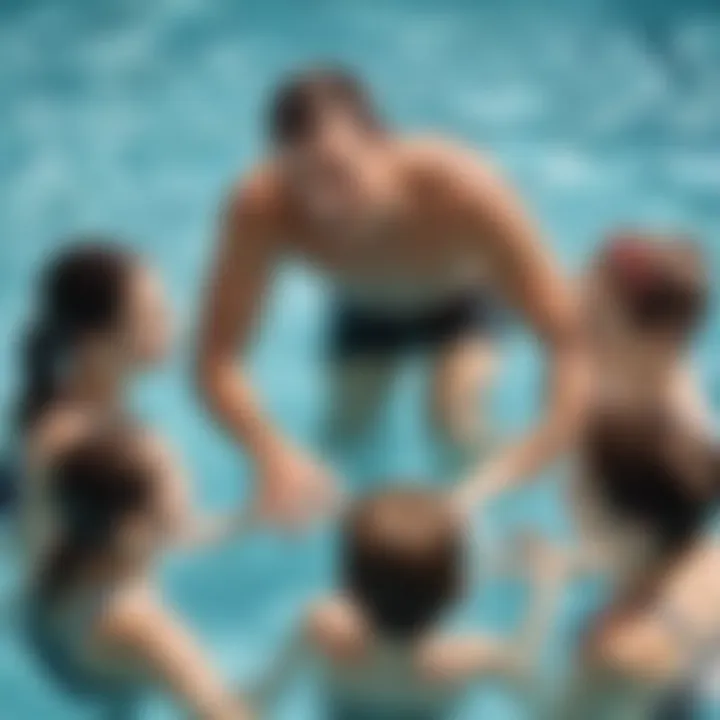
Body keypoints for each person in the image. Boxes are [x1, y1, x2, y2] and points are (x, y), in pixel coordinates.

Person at [197, 65, 588, 526]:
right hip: (364, 307)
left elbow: (568, 336)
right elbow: (217, 359)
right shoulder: (262, 208)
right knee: (341, 444)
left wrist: (547, 444)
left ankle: (497, 530)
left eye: (337, 173)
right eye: (301, 182)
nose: (323, 206)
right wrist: (271, 452)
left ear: (383, 146)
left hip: (460, 301)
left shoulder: (460, 189)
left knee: (454, 425)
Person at [467, 233, 720, 719]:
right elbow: (670, 545)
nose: (576, 310)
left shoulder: (678, 428)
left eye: (594, 311)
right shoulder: (625, 373)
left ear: (652, 334)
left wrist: (554, 577)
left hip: (656, 668)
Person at [250, 488, 565, 718]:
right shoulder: (472, 659)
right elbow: (550, 707)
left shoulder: (321, 635)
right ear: (460, 592)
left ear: (347, 587)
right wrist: (546, 588)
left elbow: (257, 701)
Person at [26, 426, 253, 719]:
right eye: (176, 479)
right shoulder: (144, 627)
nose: (190, 483)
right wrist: (297, 653)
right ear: (135, 530)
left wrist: (245, 521)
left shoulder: (66, 554)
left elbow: (170, 531)